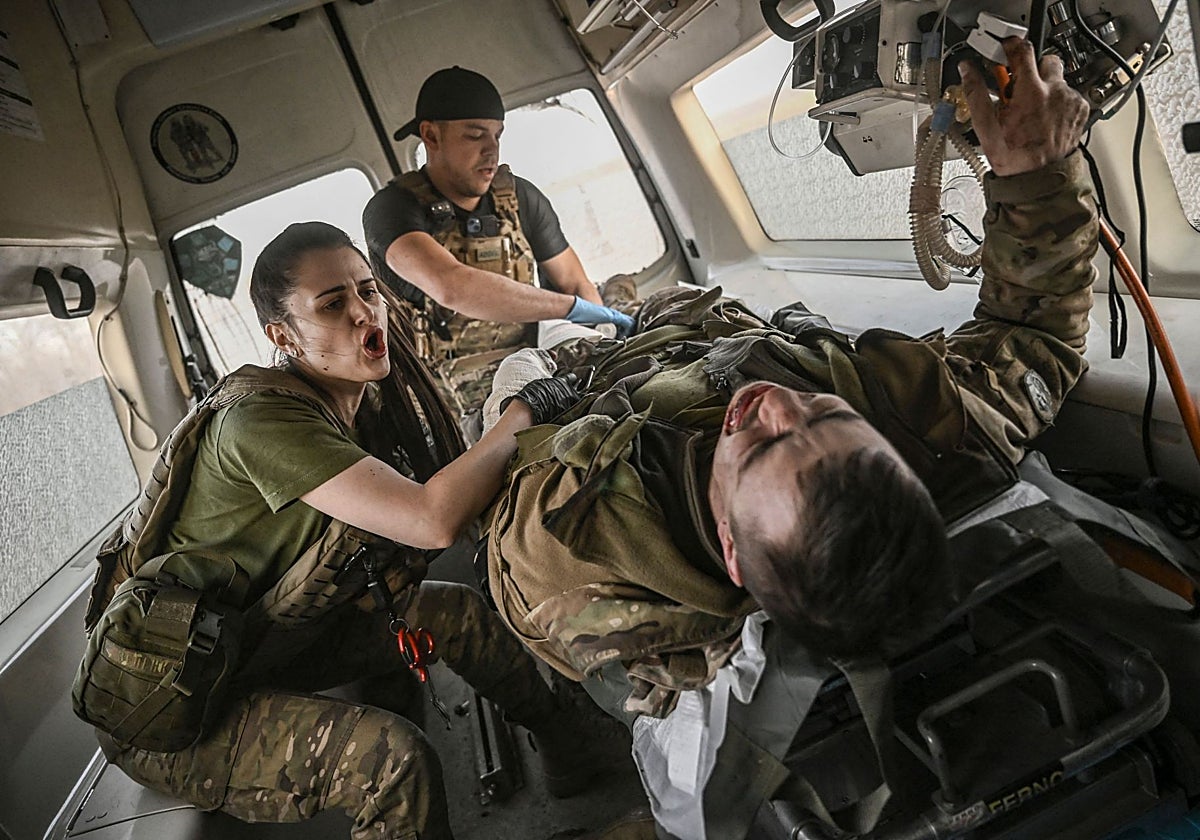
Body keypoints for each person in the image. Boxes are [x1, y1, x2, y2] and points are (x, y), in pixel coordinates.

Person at [481, 38, 1096, 834]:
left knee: (513, 359)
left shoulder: (575, 550)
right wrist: (1032, 173)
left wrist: (547, 397)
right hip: (704, 316)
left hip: (584, 378)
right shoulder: (910, 434)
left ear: (735, 554)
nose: (775, 403)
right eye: (826, 417)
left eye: (764, 446)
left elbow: (505, 528)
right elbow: (1033, 341)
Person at [74, 222, 627, 840]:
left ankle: (570, 749)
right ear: (283, 336)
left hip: (256, 650)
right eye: (333, 305)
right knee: (392, 763)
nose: (365, 312)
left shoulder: (350, 402)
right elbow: (431, 519)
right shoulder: (263, 418)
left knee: (455, 613)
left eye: (368, 290)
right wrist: (526, 408)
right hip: (172, 706)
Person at [363, 65, 634, 438]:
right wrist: (570, 308)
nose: (491, 151)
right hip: (445, 403)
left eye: (497, 136)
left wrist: (605, 337)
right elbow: (452, 287)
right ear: (430, 135)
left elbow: (572, 280)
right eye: (475, 136)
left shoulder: (519, 197)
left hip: (533, 365)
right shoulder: (392, 211)